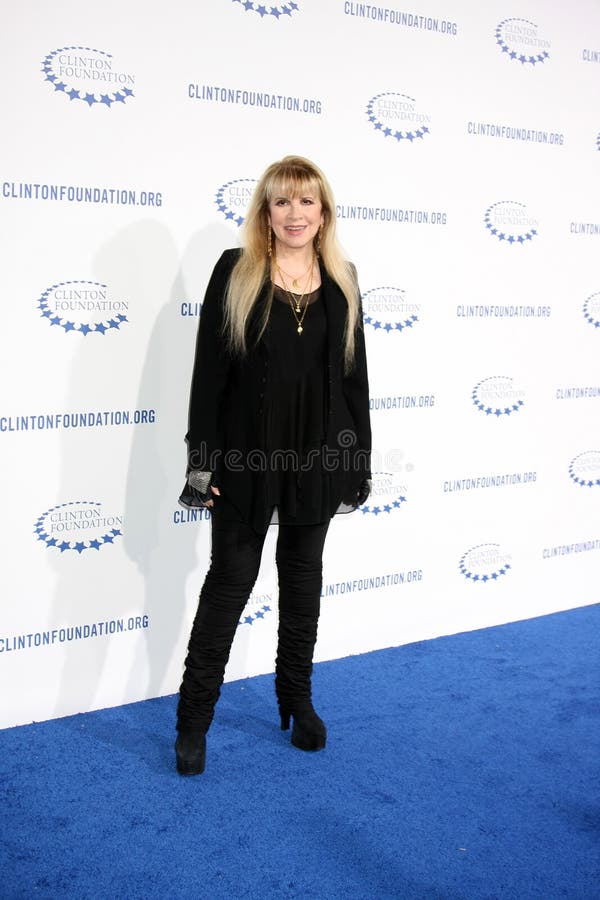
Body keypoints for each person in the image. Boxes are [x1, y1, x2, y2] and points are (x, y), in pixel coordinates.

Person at [175, 155, 372, 775]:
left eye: (307, 201)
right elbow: (209, 375)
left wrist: (357, 460)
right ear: (266, 210)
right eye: (282, 201)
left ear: (324, 213)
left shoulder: (343, 279)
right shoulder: (236, 272)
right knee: (228, 587)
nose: (295, 213)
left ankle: (298, 701)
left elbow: (355, 379)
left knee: (303, 583)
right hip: (244, 458)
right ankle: (193, 721)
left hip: (316, 456)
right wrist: (202, 463)